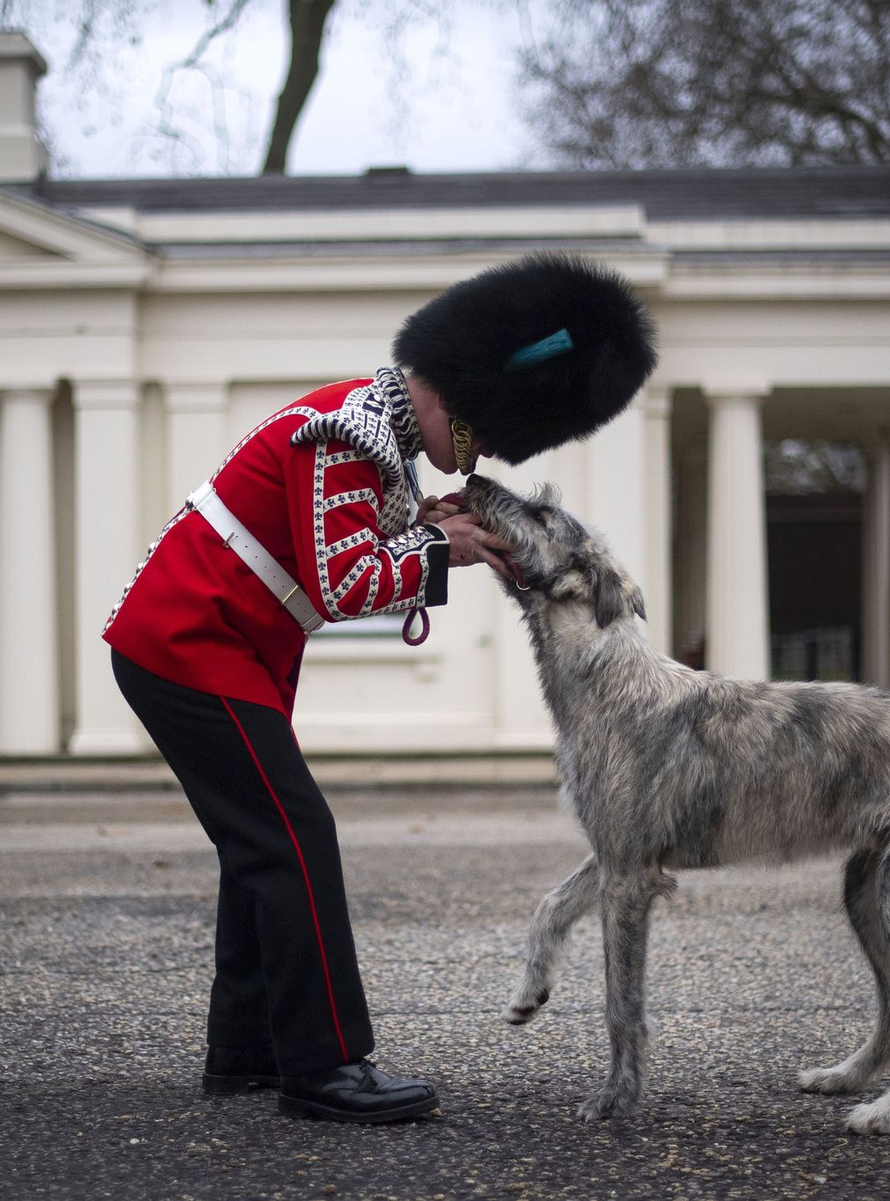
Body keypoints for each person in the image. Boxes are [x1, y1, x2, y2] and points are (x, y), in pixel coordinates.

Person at [104, 252, 657, 1124]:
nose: (468, 456)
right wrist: (448, 550)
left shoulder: (370, 428)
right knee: (296, 838)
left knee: (259, 848)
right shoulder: (351, 432)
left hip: (215, 647)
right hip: (190, 645)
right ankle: (323, 1068)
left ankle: (244, 1051)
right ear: (449, 393)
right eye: (473, 433)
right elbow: (342, 581)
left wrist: (429, 526)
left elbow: (351, 531)